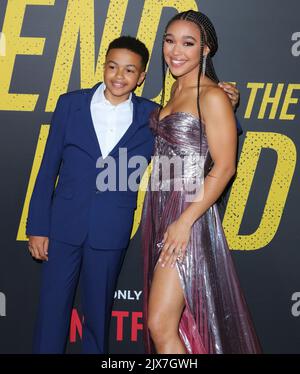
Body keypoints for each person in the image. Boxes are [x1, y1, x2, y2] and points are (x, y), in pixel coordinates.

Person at [27, 34, 240, 353]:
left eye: (129, 70)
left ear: (141, 77)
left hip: (110, 230)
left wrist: (228, 108)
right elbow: (47, 170)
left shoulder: (151, 116)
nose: (118, 76)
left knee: (97, 318)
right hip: (62, 227)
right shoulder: (70, 104)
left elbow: (196, 140)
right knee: (51, 313)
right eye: (112, 67)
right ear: (103, 67)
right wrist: (38, 227)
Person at [142, 10, 262, 354]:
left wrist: (184, 221)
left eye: (187, 43)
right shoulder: (175, 91)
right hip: (162, 211)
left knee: (160, 324)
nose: (175, 51)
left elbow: (224, 168)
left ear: (205, 50)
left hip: (188, 214)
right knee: (176, 325)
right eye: (169, 40)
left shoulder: (213, 96)